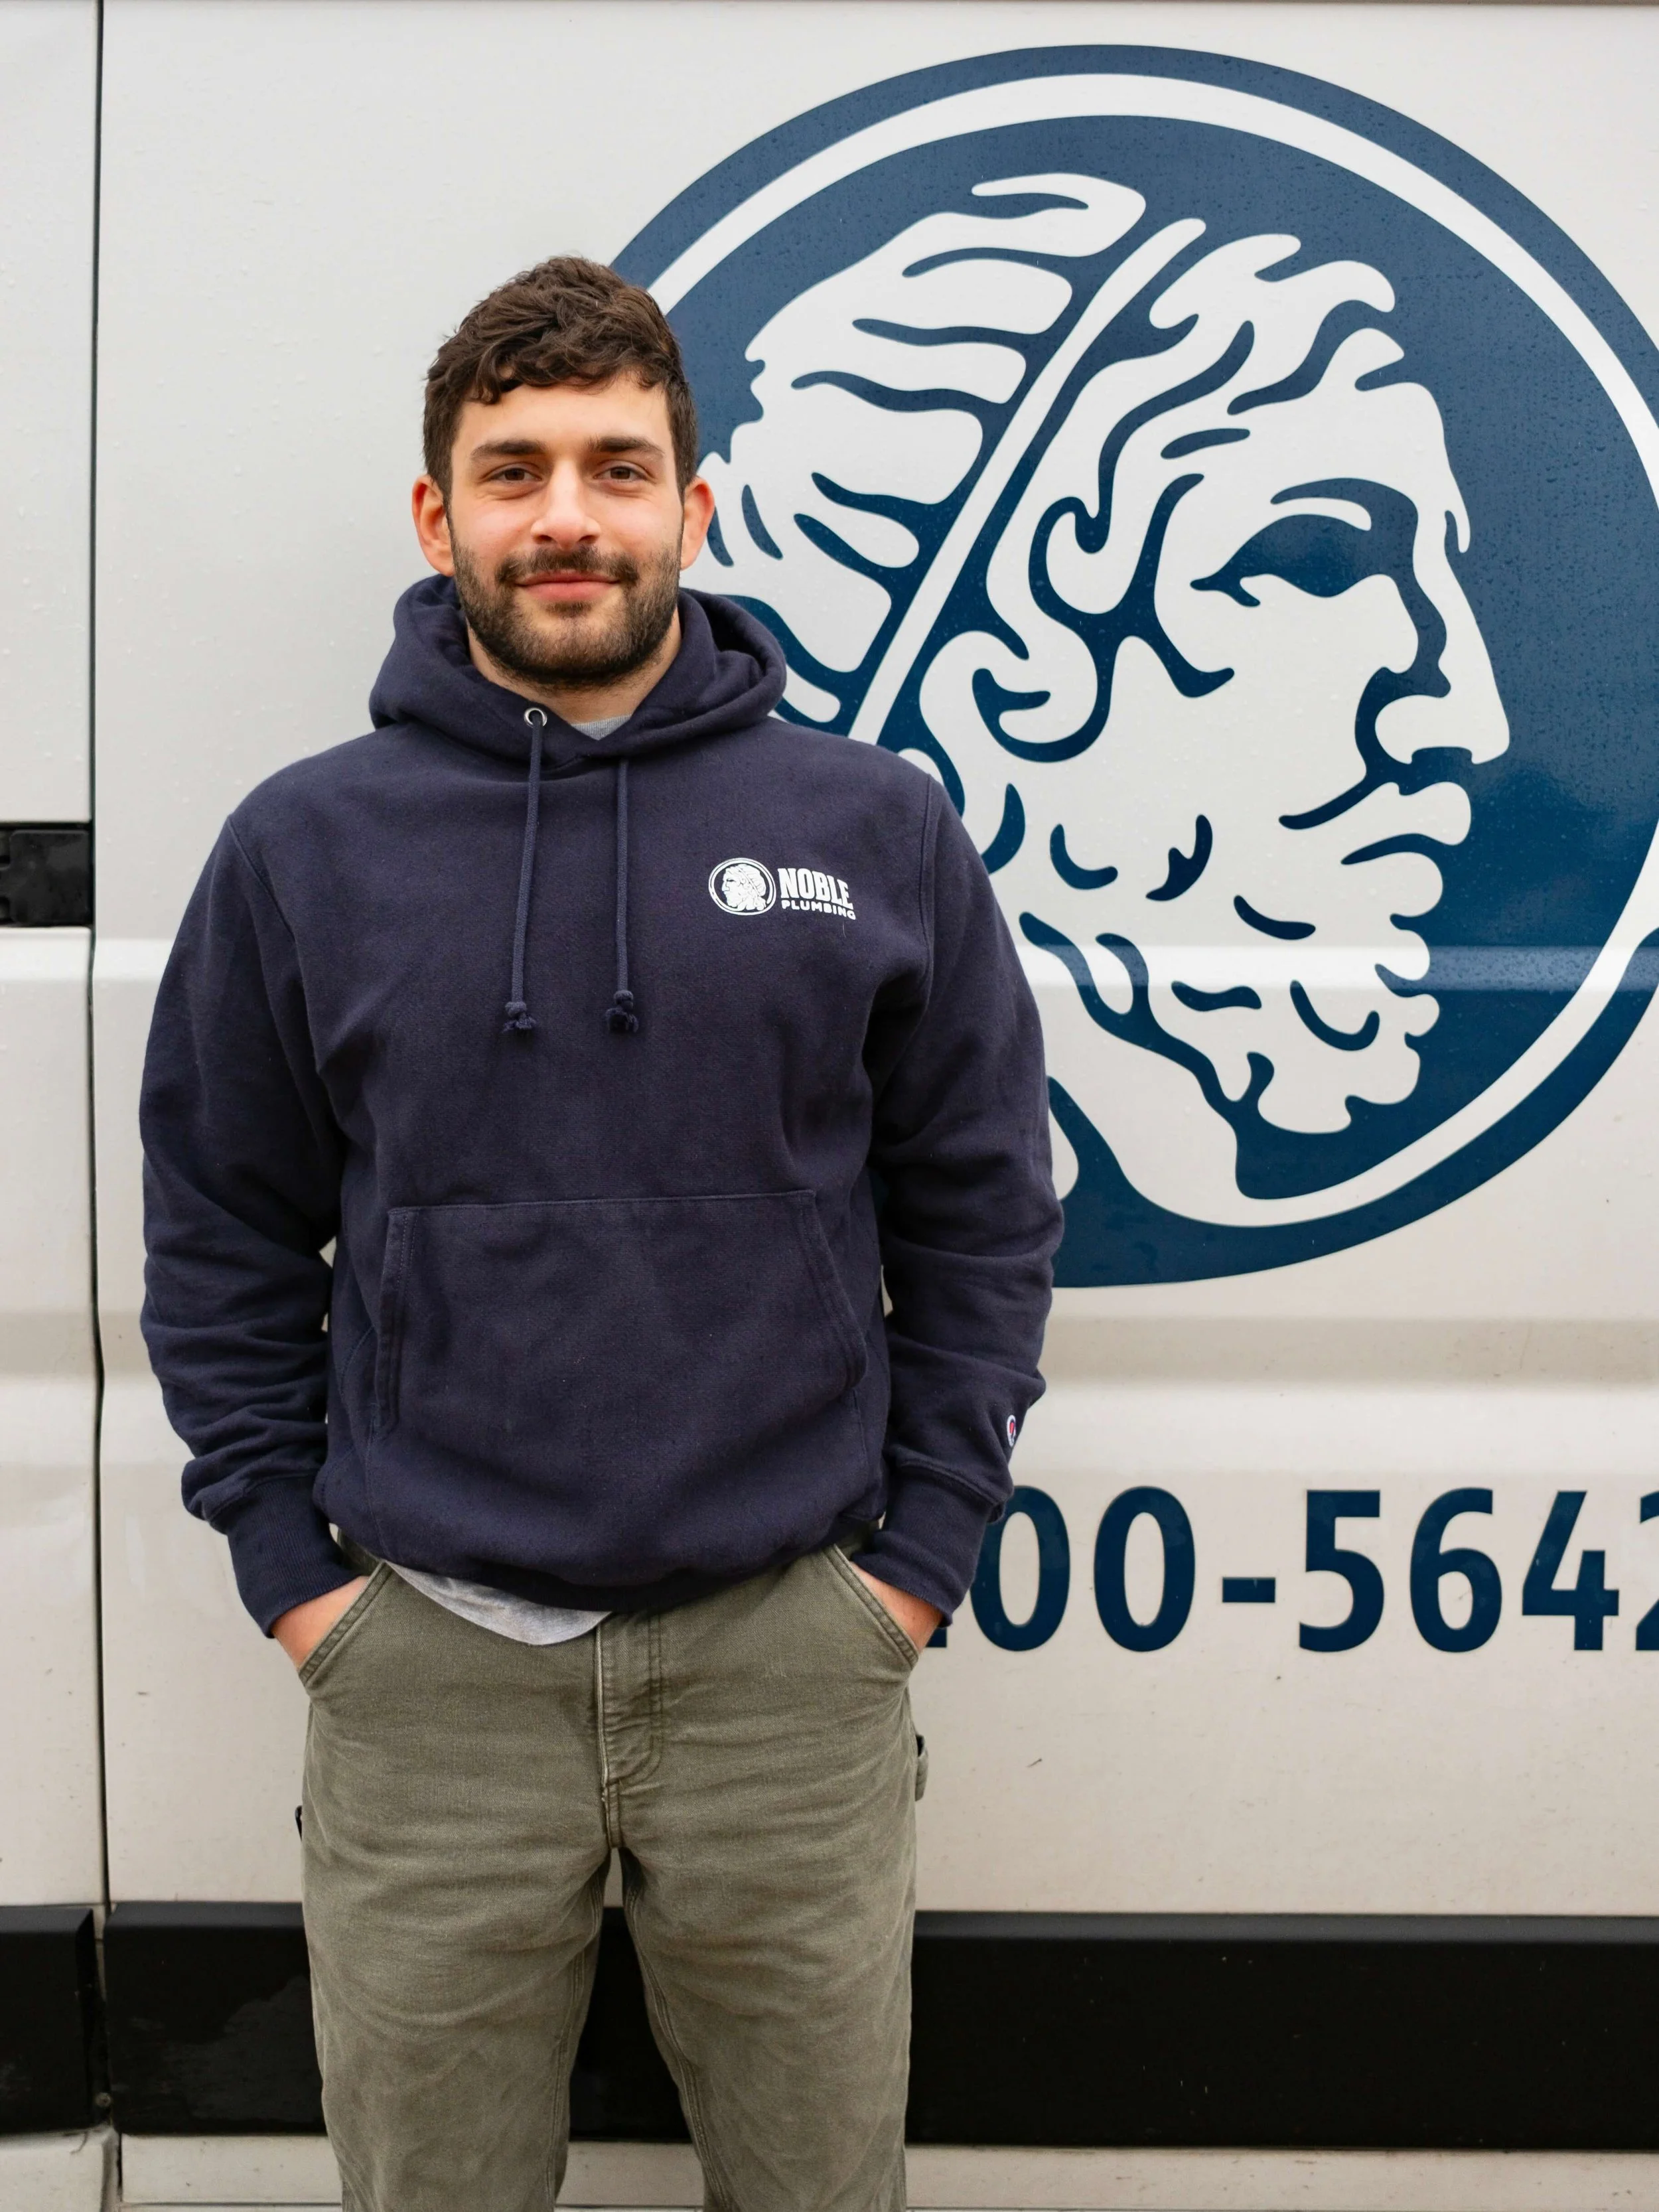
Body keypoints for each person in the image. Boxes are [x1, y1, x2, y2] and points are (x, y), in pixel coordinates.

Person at [139, 256, 1060, 2212]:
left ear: (691, 506)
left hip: (787, 1660)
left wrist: (906, 1566)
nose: (566, 513)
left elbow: (979, 1211)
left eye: (617, 466)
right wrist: (299, 1580)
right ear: (437, 515)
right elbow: (223, 1228)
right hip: (429, 1674)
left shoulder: (873, 827)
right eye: (514, 468)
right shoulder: (305, 848)